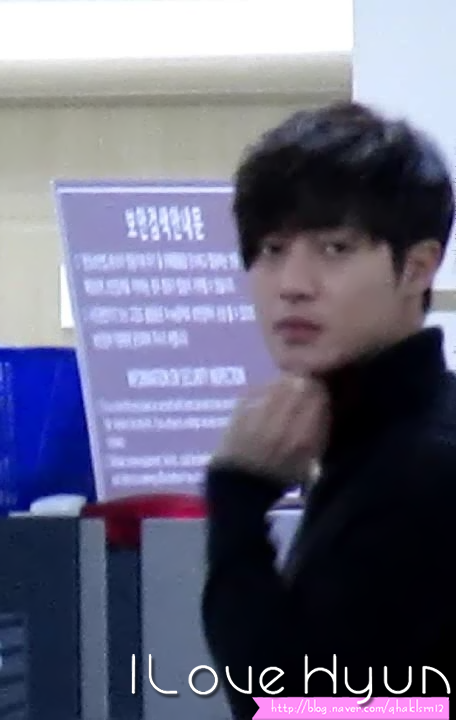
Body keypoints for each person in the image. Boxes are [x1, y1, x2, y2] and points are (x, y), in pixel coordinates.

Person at [201, 101, 456, 719]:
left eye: (335, 248)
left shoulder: (424, 466)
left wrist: (236, 499)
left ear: (417, 267)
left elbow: (296, 708)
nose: (292, 283)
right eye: (272, 249)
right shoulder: (366, 437)